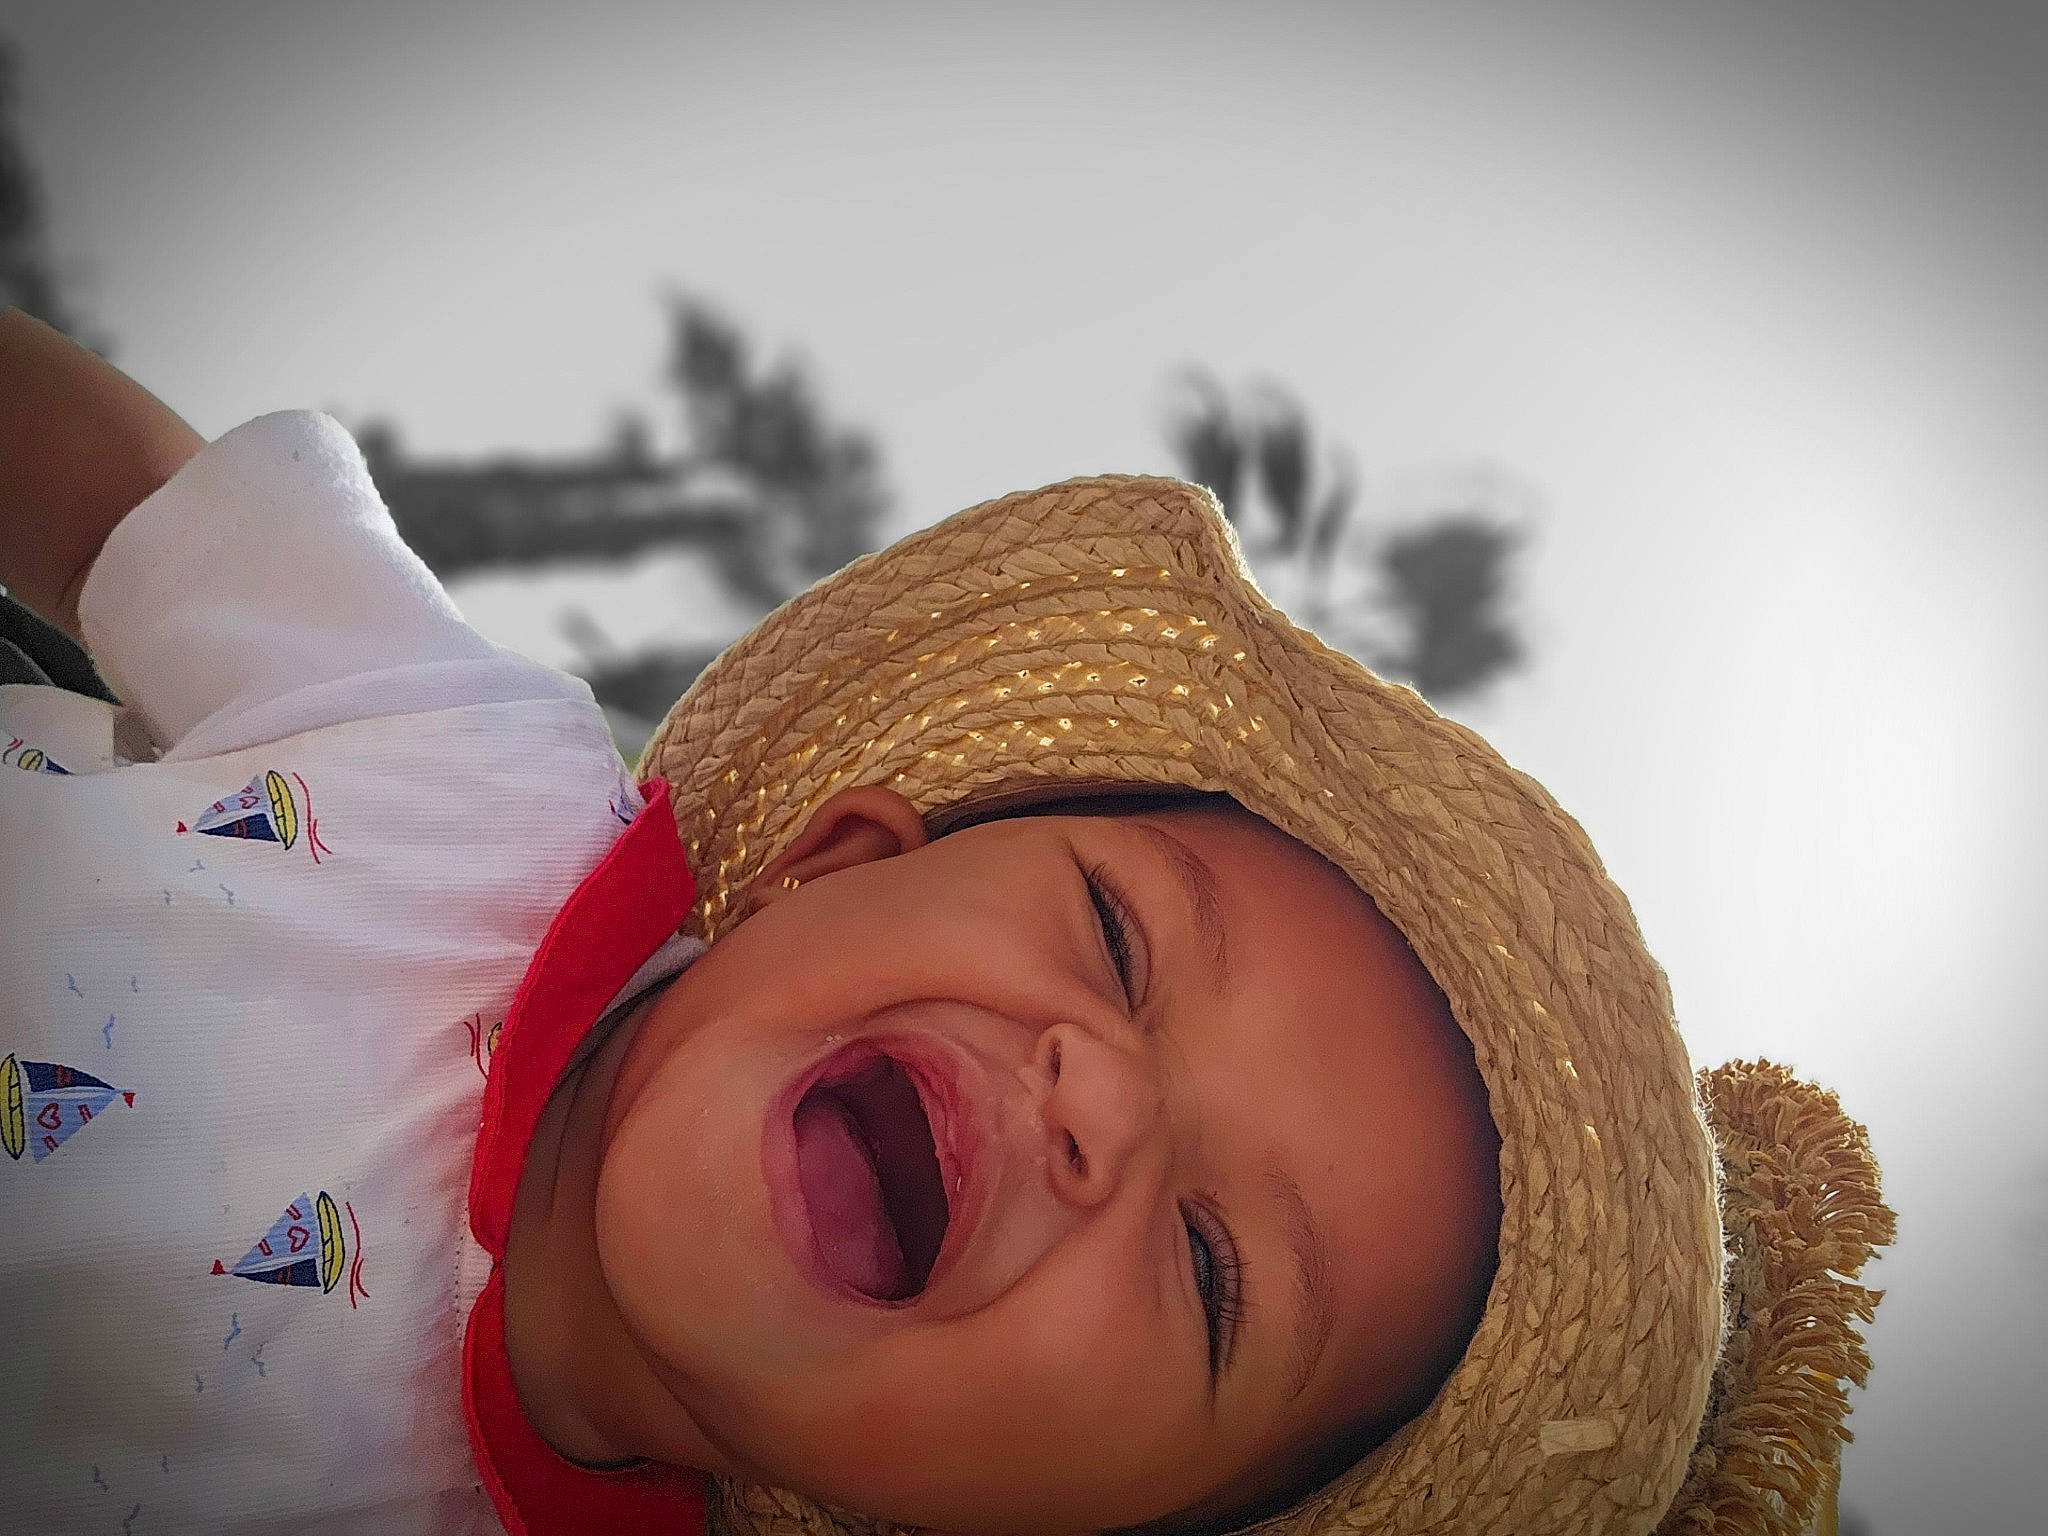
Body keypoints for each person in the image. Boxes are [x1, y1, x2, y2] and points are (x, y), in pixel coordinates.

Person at [0, 307, 1892, 1536]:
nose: (1099, 1109)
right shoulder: (467, 777)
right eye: (1123, 944)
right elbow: (129, 510)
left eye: (1221, 1278)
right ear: (838, 860)